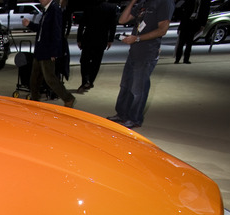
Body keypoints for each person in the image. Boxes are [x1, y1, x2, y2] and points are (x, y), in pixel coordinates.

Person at [107, 0, 174, 129]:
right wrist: (132, 2)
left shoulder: (164, 2)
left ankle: (134, 118)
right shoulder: (143, 3)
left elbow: (162, 29)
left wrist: (137, 38)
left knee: (138, 89)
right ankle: (122, 114)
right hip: (134, 51)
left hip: (147, 52)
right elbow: (122, 20)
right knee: (125, 85)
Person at [22, 0, 76, 107]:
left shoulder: (54, 9)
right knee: (34, 77)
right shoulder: (48, 10)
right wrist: (30, 25)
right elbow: (42, 29)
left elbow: (56, 32)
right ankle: (35, 99)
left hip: (47, 51)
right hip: (40, 50)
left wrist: (54, 52)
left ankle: (68, 98)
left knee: (49, 78)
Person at [76, 0, 117, 93]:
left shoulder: (89, 5)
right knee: (96, 61)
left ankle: (85, 81)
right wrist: (110, 39)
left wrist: (79, 38)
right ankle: (90, 81)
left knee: (84, 60)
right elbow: (113, 25)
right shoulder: (111, 7)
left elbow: (82, 24)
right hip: (101, 39)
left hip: (88, 37)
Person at [174, 0, 209, 64]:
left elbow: (205, 13)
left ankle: (186, 59)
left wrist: (203, 25)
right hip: (186, 23)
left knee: (189, 43)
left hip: (195, 23)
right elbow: (182, 10)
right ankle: (177, 59)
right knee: (181, 43)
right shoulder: (190, 1)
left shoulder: (205, 2)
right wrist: (181, 24)